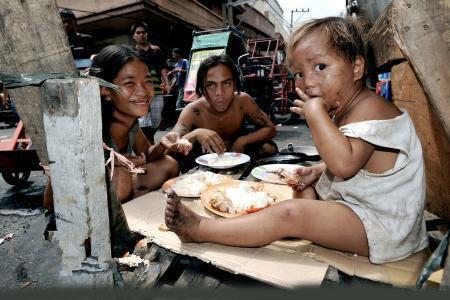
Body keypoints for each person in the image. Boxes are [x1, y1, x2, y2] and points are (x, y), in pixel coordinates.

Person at [165, 17, 428, 264]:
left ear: (357, 68)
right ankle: (277, 222)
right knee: (300, 189)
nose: (308, 81)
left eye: (320, 67)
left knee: (290, 213)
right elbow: (364, 160)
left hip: (383, 228)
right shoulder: (350, 109)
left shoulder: (371, 108)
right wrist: (317, 170)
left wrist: (314, 113)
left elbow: (346, 165)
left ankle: (201, 229)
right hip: (359, 207)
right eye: (300, 73)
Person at [44, 45, 188, 210]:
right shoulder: (87, 130)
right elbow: (49, 203)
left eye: (147, 81)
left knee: (168, 164)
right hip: (83, 209)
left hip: (116, 193)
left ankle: (132, 207)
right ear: (105, 90)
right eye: (129, 83)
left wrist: (163, 144)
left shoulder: (130, 121)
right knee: (121, 179)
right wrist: (119, 165)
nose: (143, 91)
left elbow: (145, 155)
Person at [168, 54, 278, 172]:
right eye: (211, 85)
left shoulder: (242, 101)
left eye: (226, 83)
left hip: (238, 157)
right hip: (204, 163)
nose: (219, 92)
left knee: (269, 148)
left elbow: (271, 129)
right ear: (202, 87)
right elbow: (169, 146)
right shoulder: (193, 111)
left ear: (235, 83)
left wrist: (242, 141)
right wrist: (195, 134)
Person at [130, 21, 169, 143]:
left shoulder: (156, 50)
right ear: (134, 36)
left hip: (156, 88)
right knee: (144, 118)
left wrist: (167, 83)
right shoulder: (132, 53)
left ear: (147, 34)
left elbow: (163, 67)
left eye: (143, 32)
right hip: (141, 89)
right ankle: (149, 141)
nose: (141, 35)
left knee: (156, 118)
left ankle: (150, 136)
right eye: (138, 33)